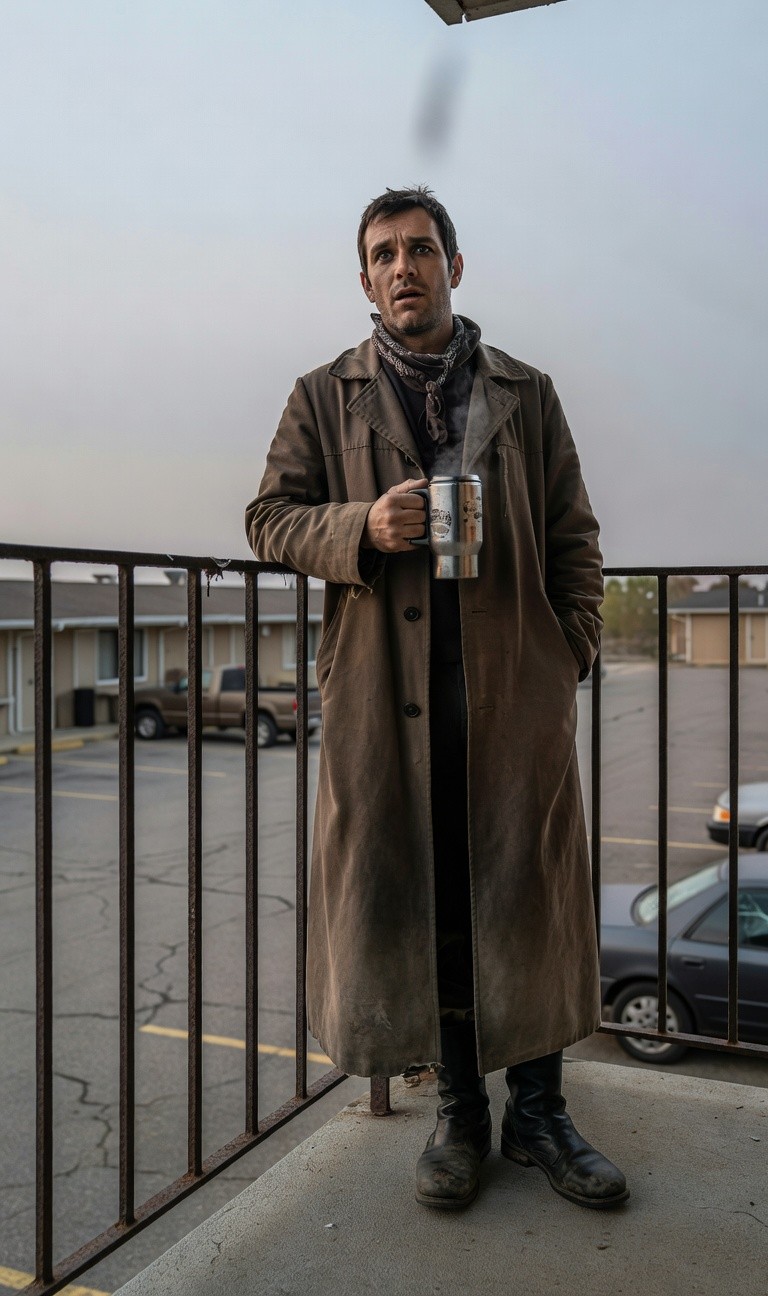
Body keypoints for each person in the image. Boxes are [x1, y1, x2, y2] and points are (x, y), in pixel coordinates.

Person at [245, 186, 628, 1211]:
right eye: (384, 253)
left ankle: (541, 1113)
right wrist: (361, 526)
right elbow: (269, 518)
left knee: (526, 897)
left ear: (456, 268)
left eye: (421, 249)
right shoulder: (325, 394)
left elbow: (574, 536)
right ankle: (462, 1113)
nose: (403, 266)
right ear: (364, 279)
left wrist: (569, 654)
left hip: (512, 699)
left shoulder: (525, 393)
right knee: (436, 903)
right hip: (389, 704)